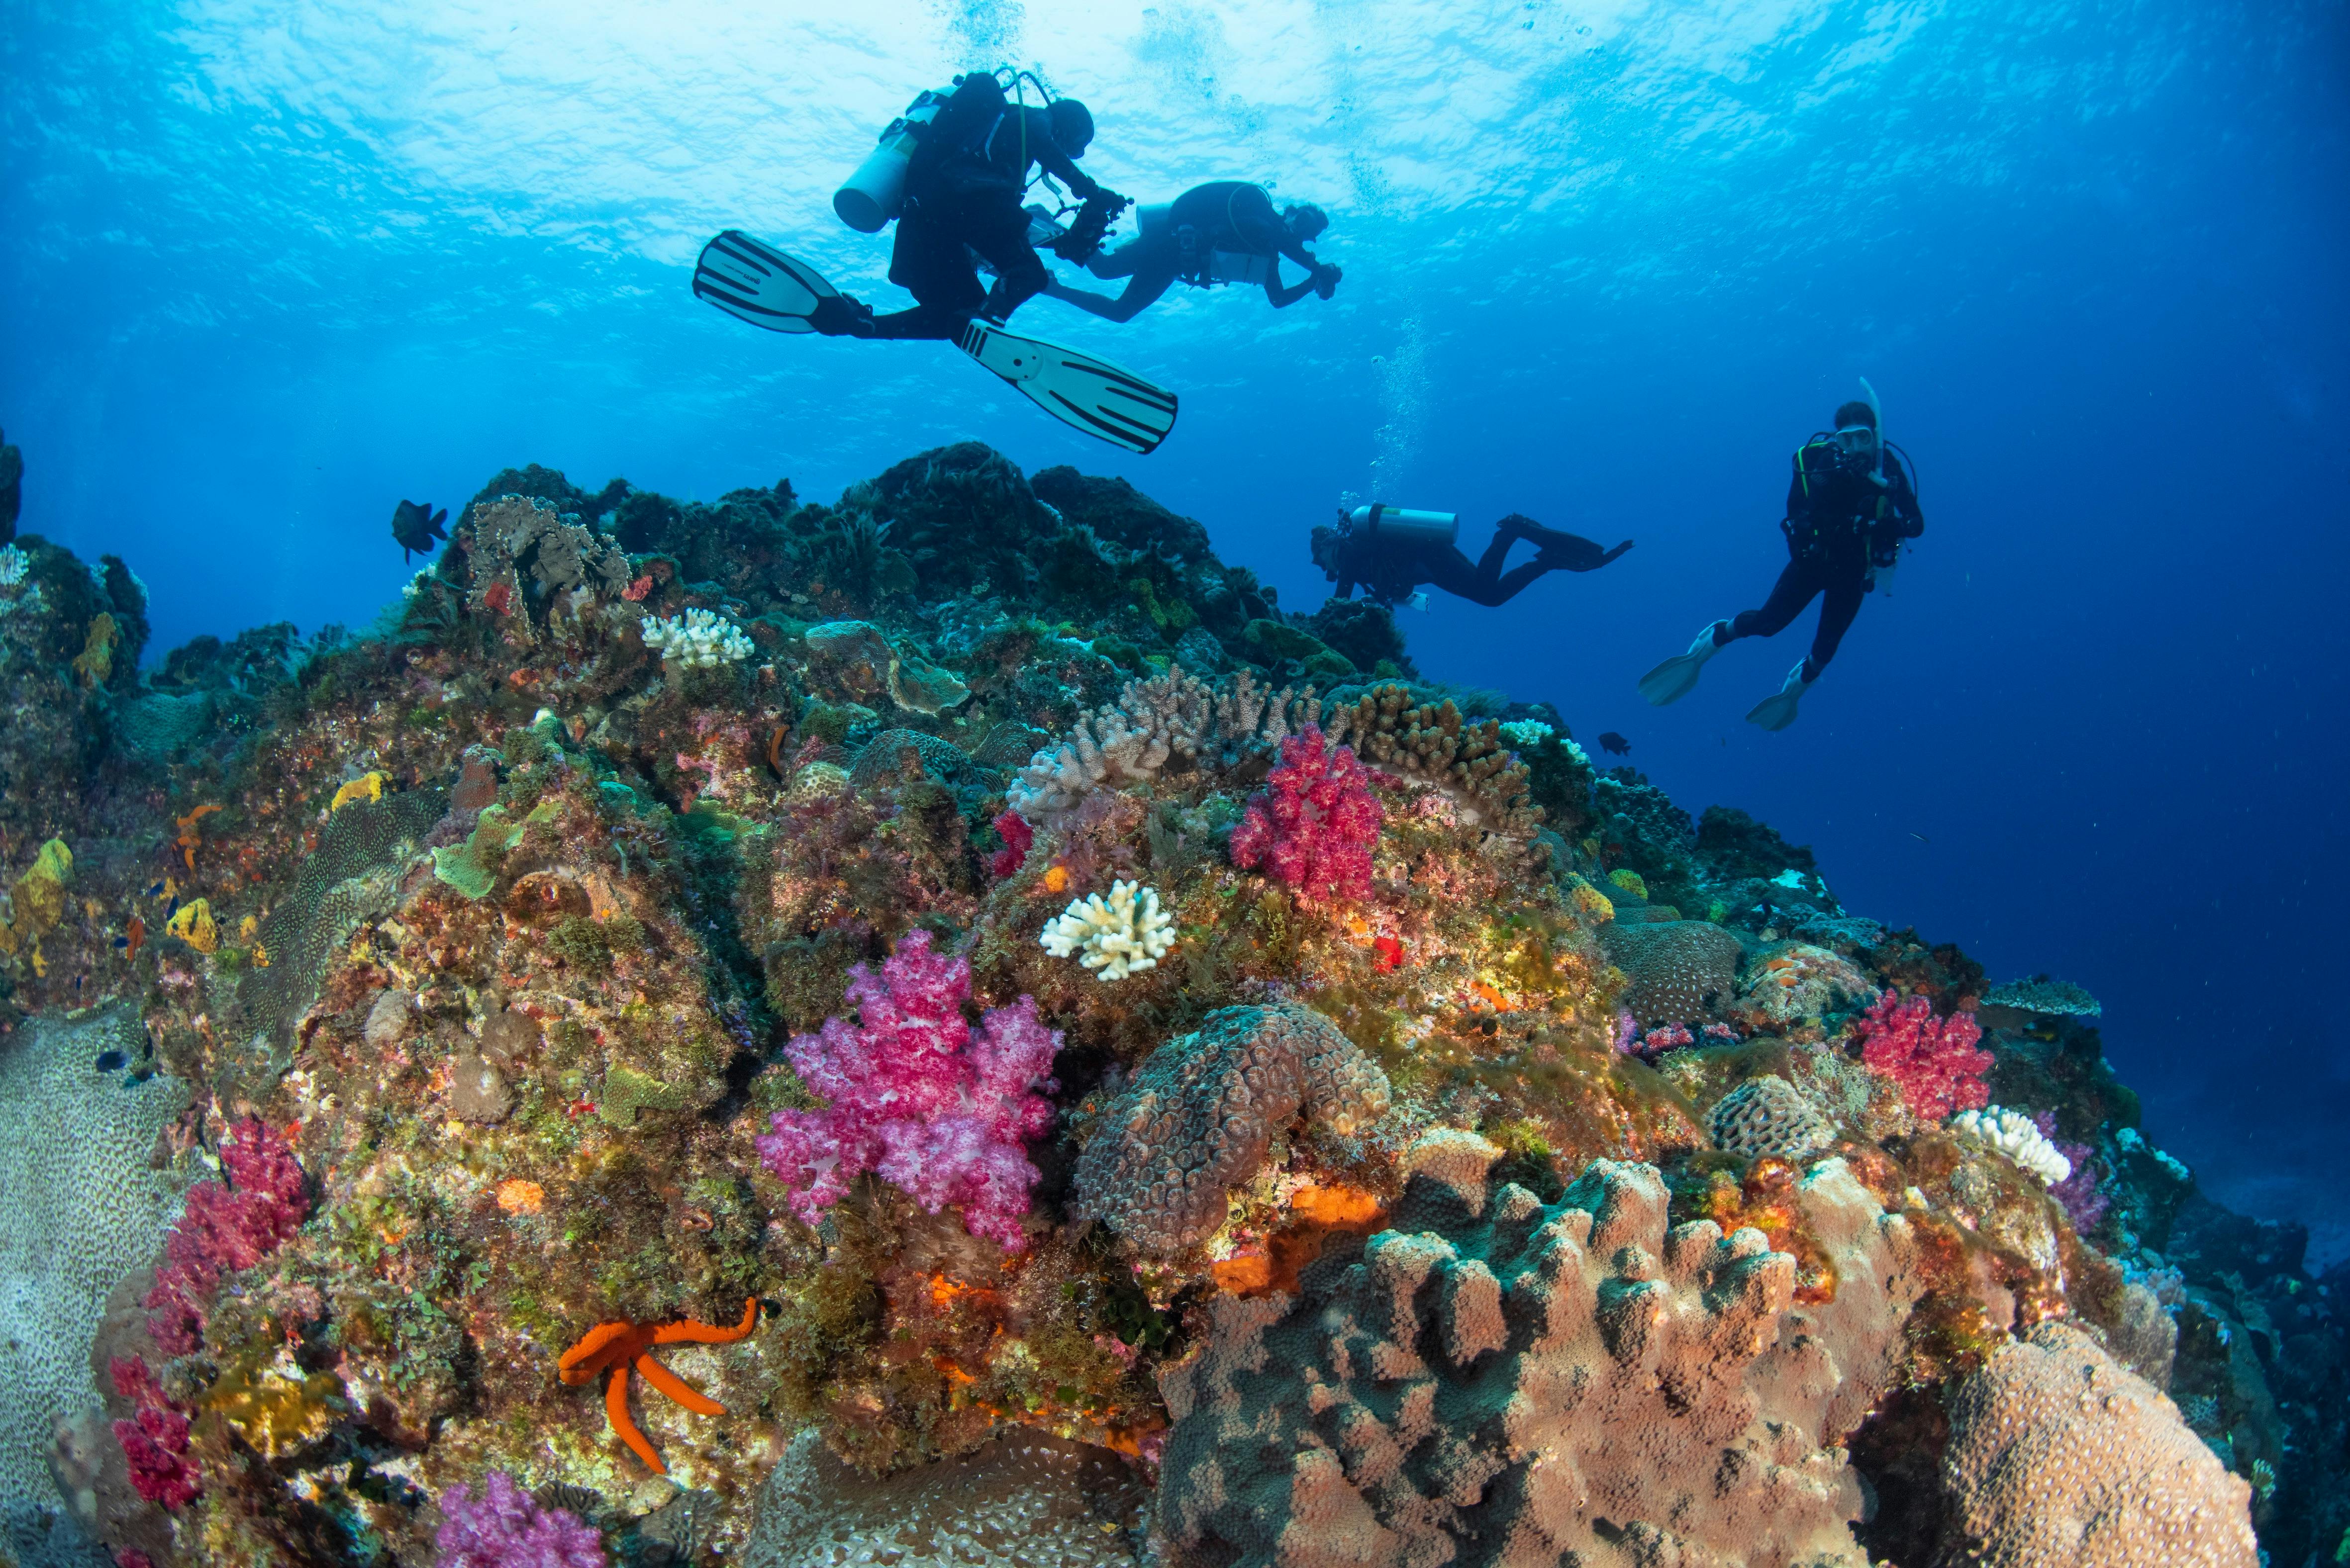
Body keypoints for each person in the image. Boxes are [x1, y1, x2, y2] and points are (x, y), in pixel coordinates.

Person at [1637, 397, 1923, 730]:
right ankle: (1713, 640)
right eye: (1847, 438)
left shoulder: (1888, 469)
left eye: (1863, 437)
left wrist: (1886, 524)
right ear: (1837, 440)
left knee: (1825, 652)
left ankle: (1794, 690)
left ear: (1875, 437)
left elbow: (1917, 524)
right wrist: (1836, 531)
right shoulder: (1821, 465)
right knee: (1768, 624)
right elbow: (1798, 516)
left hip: (1854, 572)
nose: (1856, 447)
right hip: (1815, 562)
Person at [813, 76, 1121, 340]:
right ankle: (989, 319)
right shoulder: (1036, 117)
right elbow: (1037, 152)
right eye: (1077, 145)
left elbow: (1002, 231)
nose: (1074, 153)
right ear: (1069, 126)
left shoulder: (989, 135)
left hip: (922, 213)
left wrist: (1063, 242)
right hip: (968, 200)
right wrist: (1091, 191)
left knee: (956, 313)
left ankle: (861, 325)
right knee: (1029, 274)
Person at [1041, 181, 1340, 323]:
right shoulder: (1262, 216)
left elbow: (1279, 299)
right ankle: (1050, 230)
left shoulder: (1268, 256)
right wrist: (1318, 270)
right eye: (1301, 221)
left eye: (1307, 233)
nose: (1299, 231)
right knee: (1106, 274)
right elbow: (1282, 240)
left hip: (1173, 265)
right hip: (1169, 243)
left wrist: (1314, 281)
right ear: (1290, 213)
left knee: (1117, 301)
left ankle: (1049, 277)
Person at [1311, 510, 1632, 609]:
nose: (1325, 567)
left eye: (1320, 559)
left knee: (1486, 590)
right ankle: (1545, 560)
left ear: (1328, 545)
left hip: (1429, 556)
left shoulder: (1349, 553)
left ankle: (1510, 533)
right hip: (1430, 559)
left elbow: (1339, 602)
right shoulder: (1358, 554)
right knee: (1489, 595)